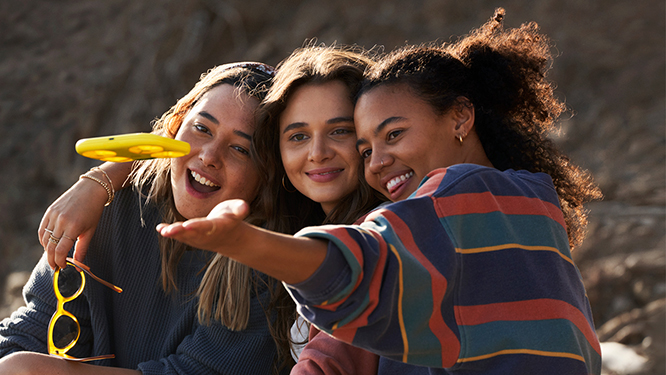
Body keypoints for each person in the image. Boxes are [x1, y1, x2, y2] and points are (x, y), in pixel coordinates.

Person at [156, 9, 603, 374]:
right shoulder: (530, 200)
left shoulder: (459, 197)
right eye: (368, 147)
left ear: (460, 117)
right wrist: (104, 178)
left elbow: (363, 269)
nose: (378, 161)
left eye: (392, 134)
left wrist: (245, 243)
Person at [0, 62, 295, 374]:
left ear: (267, 173)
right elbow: (34, 329)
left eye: (240, 149)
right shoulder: (115, 205)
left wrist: (29, 368)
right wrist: (98, 180)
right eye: (202, 128)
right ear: (176, 126)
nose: (209, 155)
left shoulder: (268, 261)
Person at [251, 44, 384, 374]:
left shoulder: (385, 232)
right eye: (298, 136)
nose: (318, 152)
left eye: (340, 131)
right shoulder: (292, 232)